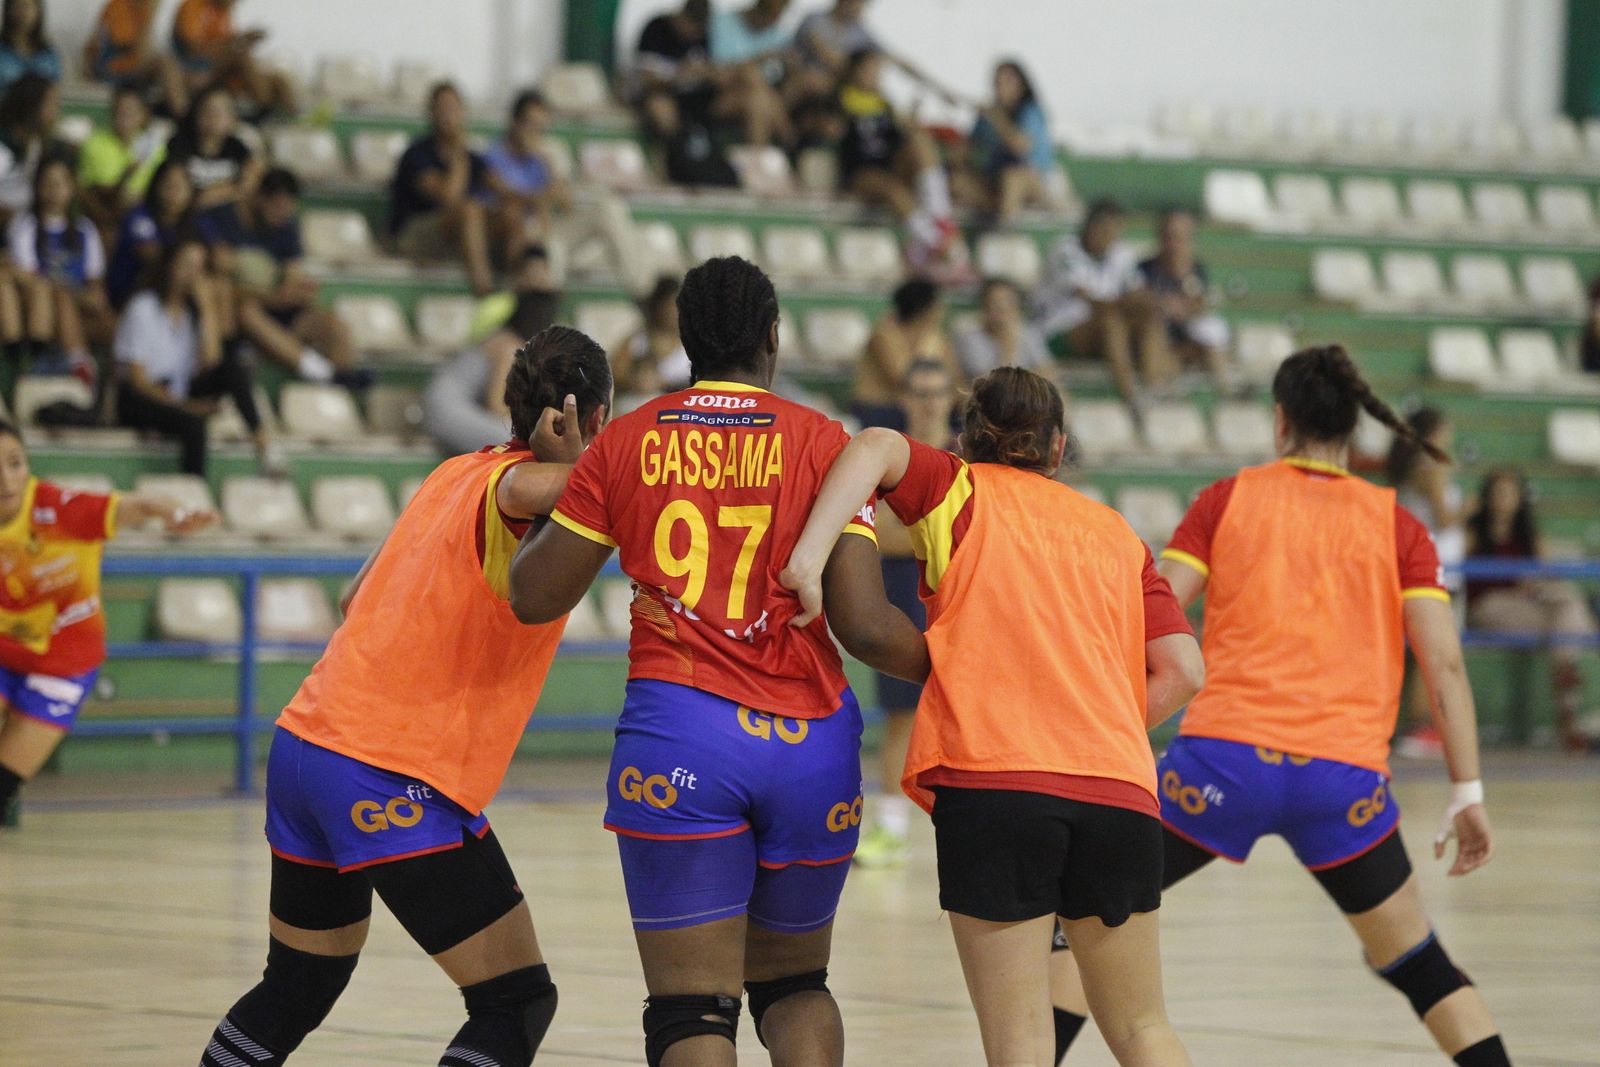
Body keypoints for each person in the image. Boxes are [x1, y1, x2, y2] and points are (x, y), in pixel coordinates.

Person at [509, 256, 924, 1067]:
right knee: (797, 986)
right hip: (812, 746)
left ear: (684, 339)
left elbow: (535, 598)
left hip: (682, 738)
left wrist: (552, 472)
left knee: (691, 1011)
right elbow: (866, 623)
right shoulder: (824, 443)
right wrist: (962, 667)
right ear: (773, 336)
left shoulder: (626, 441)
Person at [1054, 345, 1511, 1067]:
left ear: (1279, 421)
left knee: (1082, 919)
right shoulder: (1399, 526)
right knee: (1419, 962)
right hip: (1342, 782)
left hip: (1221, 768)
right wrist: (1468, 790)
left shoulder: (1228, 498)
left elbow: (1154, 615)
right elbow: (1444, 662)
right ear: (1355, 430)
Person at [195, 326, 612, 1067]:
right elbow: (592, 487)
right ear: (589, 416)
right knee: (516, 999)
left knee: (300, 977)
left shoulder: (454, 471)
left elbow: (356, 592)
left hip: (304, 749)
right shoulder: (515, 485)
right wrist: (587, 456)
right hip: (386, 768)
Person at [779, 366, 1202, 1067]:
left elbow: (876, 444)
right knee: (1141, 1025)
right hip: (1119, 794)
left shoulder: (956, 488)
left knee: (1021, 1044)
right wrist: (1095, 718)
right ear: (1058, 448)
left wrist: (807, 556)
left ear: (966, 438)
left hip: (998, 786)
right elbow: (1184, 668)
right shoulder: (1117, 533)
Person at [0, 419, 216, 827]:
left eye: (14, 462)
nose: (7, 479)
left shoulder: (57, 508)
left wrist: (177, 512)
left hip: (64, 660)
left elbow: (142, 504)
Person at [851, 356, 955, 870]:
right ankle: (890, 828)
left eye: (937, 391)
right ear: (905, 397)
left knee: (969, 715)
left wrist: (911, 534)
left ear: (951, 397)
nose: (929, 400)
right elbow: (879, 533)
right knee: (901, 717)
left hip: (961, 600)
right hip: (901, 596)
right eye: (919, 390)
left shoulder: (967, 455)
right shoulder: (887, 456)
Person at [113, 236, 275, 476]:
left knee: (232, 370)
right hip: (141, 398)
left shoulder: (191, 314)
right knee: (193, 425)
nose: (193, 274)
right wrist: (187, 407)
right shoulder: (143, 308)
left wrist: (207, 306)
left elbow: (212, 361)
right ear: (170, 266)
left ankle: (265, 444)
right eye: (187, 265)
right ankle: (194, 493)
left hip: (178, 393)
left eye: (199, 268)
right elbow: (137, 380)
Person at [1466, 467, 1599, 752]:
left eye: (1510, 493)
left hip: (1530, 607)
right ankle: (1571, 698)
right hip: (1490, 607)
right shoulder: (1474, 531)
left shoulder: (1528, 533)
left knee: (1566, 606)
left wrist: (1532, 584)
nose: (1504, 499)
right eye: (1499, 492)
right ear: (1488, 496)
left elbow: (1547, 573)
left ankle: (1569, 708)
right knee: (1568, 622)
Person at [198, 165, 361, 386]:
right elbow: (222, 279)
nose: (281, 214)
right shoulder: (221, 218)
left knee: (336, 327)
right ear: (258, 198)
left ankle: (338, 396)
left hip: (277, 310)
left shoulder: (287, 228)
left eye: (287, 208)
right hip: (238, 316)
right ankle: (323, 374)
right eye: (276, 206)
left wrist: (290, 292)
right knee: (248, 311)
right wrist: (272, 294)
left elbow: (292, 280)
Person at [423, 247, 562, 456]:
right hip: (445, 411)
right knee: (524, 444)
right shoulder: (508, 347)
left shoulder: (506, 340)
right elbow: (496, 405)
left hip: (455, 406)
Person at [1033, 199, 1172, 407]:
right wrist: (1131, 304)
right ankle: (1132, 400)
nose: (1112, 237)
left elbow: (1137, 292)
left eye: (1116, 231)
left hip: (1104, 331)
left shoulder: (1120, 253)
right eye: (1108, 230)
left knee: (1150, 319)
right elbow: (1091, 302)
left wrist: (1149, 303)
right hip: (1058, 330)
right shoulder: (1064, 250)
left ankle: (1154, 392)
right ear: (1091, 227)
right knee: (1111, 322)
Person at [1388, 408, 1468, 757]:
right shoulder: (1430, 469)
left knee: (1418, 651)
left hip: (1416, 564)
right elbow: (1445, 519)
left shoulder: (1408, 468)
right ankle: (1420, 726)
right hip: (1434, 567)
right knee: (1431, 652)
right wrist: (1471, 509)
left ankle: (1411, 724)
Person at [837, 47, 959, 274]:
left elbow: (897, 140)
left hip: (888, 165)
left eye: (877, 70)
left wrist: (909, 124)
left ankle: (942, 219)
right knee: (895, 192)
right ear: (854, 72)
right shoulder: (840, 99)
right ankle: (936, 243)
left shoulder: (884, 104)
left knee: (920, 140)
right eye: (868, 69)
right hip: (860, 171)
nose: (874, 75)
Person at [7, 156, 114, 386]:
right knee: (61, 297)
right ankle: (80, 365)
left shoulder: (85, 229)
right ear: (37, 188)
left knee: (114, 324)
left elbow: (95, 280)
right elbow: (30, 280)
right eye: (48, 183)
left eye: (61, 183)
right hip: (42, 307)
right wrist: (71, 292)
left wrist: (93, 295)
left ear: (72, 187)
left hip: (79, 305)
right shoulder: (26, 226)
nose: (54, 190)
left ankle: (115, 393)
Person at [389, 81, 494, 296]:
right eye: (443, 109)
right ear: (431, 113)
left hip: (453, 234)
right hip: (414, 232)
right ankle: (484, 292)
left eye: (454, 109)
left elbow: (504, 189)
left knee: (507, 215)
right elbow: (449, 197)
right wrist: (458, 153)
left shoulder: (474, 158)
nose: (449, 116)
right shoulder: (416, 155)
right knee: (470, 209)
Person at [1136, 209, 1232, 388]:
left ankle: (1226, 391)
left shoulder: (1196, 269)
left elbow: (1198, 304)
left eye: (1180, 238)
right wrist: (1165, 305)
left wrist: (1186, 306)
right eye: (1169, 237)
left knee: (1213, 335)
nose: (1174, 244)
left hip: (1184, 338)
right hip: (1155, 339)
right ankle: (1156, 390)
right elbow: (1140, 302)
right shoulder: (1145, 269)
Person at [852, 277, 957, 429]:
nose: (942, 309)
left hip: (920, 403)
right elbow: (901, 379)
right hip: (878, 407)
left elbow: (952, 375)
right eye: (937, 304)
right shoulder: (884, 335)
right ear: (923, 307)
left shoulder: (936, 336)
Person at [959, 60, 1052, 225]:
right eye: (997, 82)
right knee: (957, 182)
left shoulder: (1030, 111)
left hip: (1030, 179)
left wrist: (996, 118)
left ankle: (1005, 230)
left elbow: (1020, 147)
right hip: (994, 180)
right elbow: (967, 150)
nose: (1000, 88)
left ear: (1021, 86)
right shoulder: (988, 115)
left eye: (1007, 82)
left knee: (1012, 178)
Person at [485, 90, 571, 265]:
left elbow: (567, 206)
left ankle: (640, 287)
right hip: (512, 233)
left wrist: (548, 161)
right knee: (551, 247)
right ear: (514, 122)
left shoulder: (540, 159)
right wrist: (542, 199)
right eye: (530, 124)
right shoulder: (492, 156)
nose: (534, 133)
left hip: (546, 226)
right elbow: (511, 198)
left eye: (540, 128)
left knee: (607, 209)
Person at [170, 0, 294, 119]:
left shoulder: (224, 13)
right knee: (243, 58)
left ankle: (288, 114)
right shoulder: (193, 5)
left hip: (220, 64)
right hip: (194, 64)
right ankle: (264, 108)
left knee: (279, 78)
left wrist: (244, 40)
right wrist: (237, 40)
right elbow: (193, 48)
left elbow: (229, 44)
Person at [105, 156, 193, 310]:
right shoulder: (139, 216)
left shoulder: (195, 221)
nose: (175, 190)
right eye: (169, 184)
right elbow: (151, 255)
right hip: (128, 293)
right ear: (157, 186)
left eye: (181, 185)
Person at [76, 84, 167, 233]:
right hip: (108, 212)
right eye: (120, 109)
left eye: (131, 110)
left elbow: (162, 185)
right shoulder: (94, 143)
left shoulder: (155, 145)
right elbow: (100, 192)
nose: (124, 115)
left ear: (143, 114)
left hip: (149, 212)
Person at [82, 0, 189, 116]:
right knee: (165, 65)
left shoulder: (146, 9)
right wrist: (150, 16)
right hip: (113, 67)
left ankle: (181, 114)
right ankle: (182, 117)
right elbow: (139, 49)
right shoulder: (119, 6)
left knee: (173, 68)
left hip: (133, 66)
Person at [165, 84, 261, 210]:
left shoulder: (238, 149)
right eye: (207, 110)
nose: (213, 117)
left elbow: (248, 187)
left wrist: (218, 194)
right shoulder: (179, 145)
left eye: (220, 112)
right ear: (196, 114)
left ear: (233, 119)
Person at [956, 276, 1055, 381]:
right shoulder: (970, 339)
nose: (1003, 308)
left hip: (1026, 395)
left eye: (1008, 302)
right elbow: (988, 385)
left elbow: (1047, 372)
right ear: (985, 306)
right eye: (996, 303)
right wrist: (1008, 347)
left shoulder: (1028, 331)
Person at [610, 275, 690, 399]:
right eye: (670, 306)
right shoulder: (637, 341)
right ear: (658, 306)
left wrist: (664, 384)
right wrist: (637, 381)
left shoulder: (692, 346)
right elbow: (614, 376)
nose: (675, 312)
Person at [0, 73, 59, 221]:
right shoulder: (3, 146)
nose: (55, 113)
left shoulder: (34, 143)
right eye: (51, 105)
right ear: (32, 107)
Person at [0, 0, 56, 95]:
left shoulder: (48, 54)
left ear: (38, 11)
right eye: (17, 7)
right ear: (8, 10)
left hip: (37, 109)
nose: (22, 13)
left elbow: (53, 93)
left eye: (27, 7)